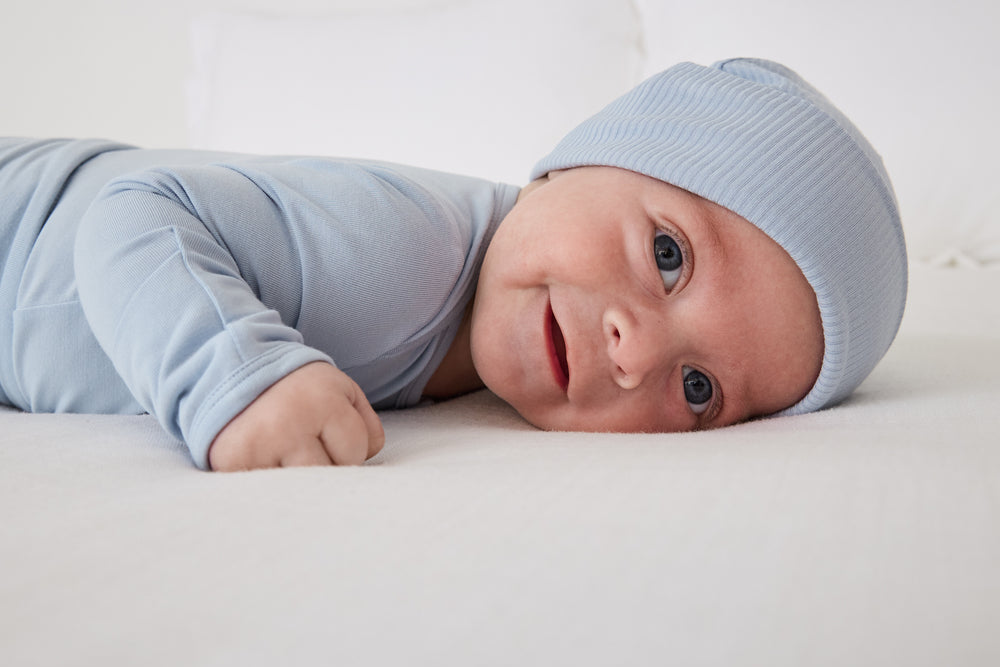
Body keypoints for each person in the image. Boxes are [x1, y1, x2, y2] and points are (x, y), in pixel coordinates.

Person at [0, 58, 907, 471]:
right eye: (668, 256)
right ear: (578, 160)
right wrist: (233, 379)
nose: (635, 351)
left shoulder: (469, 351)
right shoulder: (402, 244)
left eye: (700, 388)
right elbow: (129, 216)